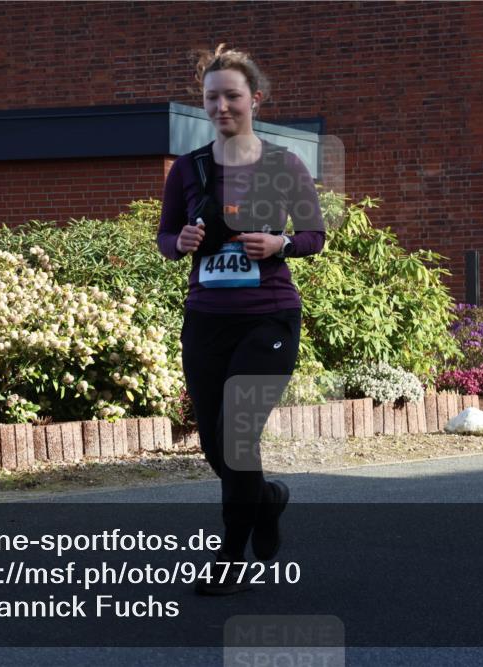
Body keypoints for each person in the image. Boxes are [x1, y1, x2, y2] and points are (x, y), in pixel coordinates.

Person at [157, 43, 325, 595]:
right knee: (215, 444)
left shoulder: (283, 164)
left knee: (236, 435)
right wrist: (181, 242)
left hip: (268, 319)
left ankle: (231, 556)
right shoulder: (189, 168)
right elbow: (165, 238)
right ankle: (267, 499)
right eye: (212, 98)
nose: (221, 106)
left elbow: (314, 235)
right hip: (206, 321)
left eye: (232, 96)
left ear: (256, 98)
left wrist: (281, 243)